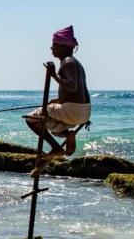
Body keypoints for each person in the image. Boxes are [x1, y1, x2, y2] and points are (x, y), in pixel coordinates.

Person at [23, 25, 90, 158]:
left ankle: (56, 148)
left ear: (63, 47)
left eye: (54, 45)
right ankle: (68, 134)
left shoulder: (68, 61)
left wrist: (53, 74)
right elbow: (76, 93)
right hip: (83, 112)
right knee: (52, 127)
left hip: (72, 111)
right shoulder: (76, 63)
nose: (52, 48)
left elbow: (71, 86)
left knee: (31, 119)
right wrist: (59, 101)